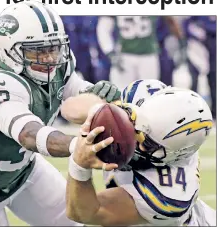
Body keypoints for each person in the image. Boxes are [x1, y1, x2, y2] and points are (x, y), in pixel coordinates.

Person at [0, 1, 120, 226]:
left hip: (25, 171)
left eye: (52, 48)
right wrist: (78, 146)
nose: (48, 58)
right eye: (37, 50)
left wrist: (96, 93)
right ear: (9, 50)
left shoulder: (57, 66)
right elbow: (29, 134)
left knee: (72, 223)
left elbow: (74, 89)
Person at [62, 85, 215, 226]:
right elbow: (69, 108)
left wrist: (80, 166)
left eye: (147, 143)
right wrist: (99, 106)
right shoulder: (141, 96)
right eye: (133, 124)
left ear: (174, 155)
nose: (133, 138)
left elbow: (85, 212)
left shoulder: (168, 194)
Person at [97, 16, 184, 91]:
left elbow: (170, 21)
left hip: (148, 55)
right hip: (125, 56)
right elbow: (104, 27)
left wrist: (181, 45)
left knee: (150, 94)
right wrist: (110, 52)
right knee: (120, 93)